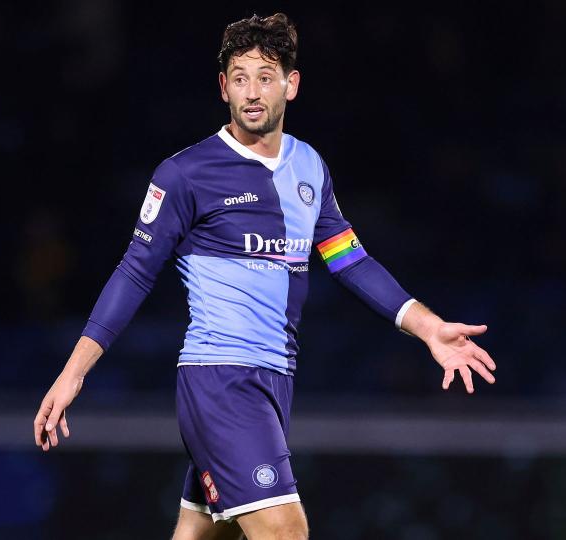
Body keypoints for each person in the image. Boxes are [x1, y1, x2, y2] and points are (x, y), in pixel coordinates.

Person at [33, 12, 496, 540]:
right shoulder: (185, 174)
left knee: (204, 535)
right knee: (284, 530)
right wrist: (74, 373)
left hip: (274, 382)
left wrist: (430, 328)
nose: (252, 91)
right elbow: (134, 273)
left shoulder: (310, 168)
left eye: (266, 76)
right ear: (223, 87)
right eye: (239, 77)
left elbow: (350, 260)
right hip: (221, 379)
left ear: (291, 85)